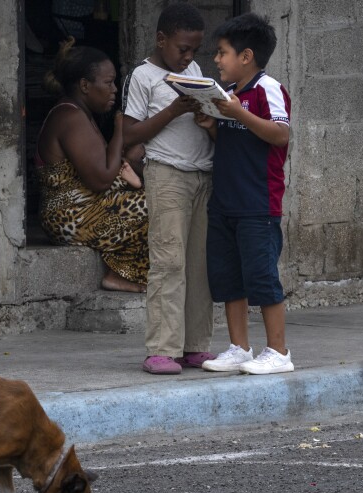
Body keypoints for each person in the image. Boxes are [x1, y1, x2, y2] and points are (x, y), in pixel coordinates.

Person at [197, 13, 295, 375]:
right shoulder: (230, 97)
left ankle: (279, 352)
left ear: (246, 56)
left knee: (262, 276)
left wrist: (239, 112)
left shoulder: (266, 89)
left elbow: (280, 134)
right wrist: (212, 125)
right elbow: (235, 141)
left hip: (257, 202)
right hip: (225, 201)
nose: (217, 60)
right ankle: (239, 347)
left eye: (222, 53)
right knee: (228, 277)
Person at [122, 2, 215, 375]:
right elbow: (129, 133)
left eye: (194, 50)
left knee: (199, 265)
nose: (188, 57)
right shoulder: (142, 77)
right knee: (169, 262)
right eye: (182, 48)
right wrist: (175, 110)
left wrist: (207, 113)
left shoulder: (191, 71)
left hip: (202, 175)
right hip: (167, 175)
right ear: (161, 40)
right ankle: (162, 348)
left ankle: (194, 345)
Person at [36, 40, 149, 294]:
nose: (114, 89)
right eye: (108, 83)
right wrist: (120, 128)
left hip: (83, 208)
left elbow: (104, 167)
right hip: (71, 216)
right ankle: (119, 274)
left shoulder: (79, 112)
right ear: (85, 85)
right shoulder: (70, 117)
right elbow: (101, 180)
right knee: (158, 206)